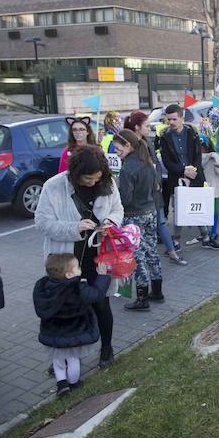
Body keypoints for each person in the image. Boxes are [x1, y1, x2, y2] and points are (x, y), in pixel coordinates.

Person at [35, 145, 124, 368]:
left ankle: (106, 348)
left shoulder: (108, 182)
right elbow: (43, 223)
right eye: (87, 179)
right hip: (66, 261)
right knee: (65, 309)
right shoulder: (53, 186)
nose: (93, 183)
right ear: (75, 174)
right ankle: (62, 355)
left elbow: (118, 209)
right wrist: (74, 227)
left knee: (101, 304)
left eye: (97, 178)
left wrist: (111, 223)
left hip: (98, 257)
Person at [33, 253, 110, 395]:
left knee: (58, 360)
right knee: (73, 360)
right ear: (69, 274)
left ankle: (62, 384)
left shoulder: (43, 287)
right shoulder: (78, 288)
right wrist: (102, 276)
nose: (80, 270)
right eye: (77, 268)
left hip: (53, 332)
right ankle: (74, 383)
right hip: (74, 332)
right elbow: (96, 294)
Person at [123, 112, 187, 266]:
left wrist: (156, 181)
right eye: (146, 125)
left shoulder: (147, 142)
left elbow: (156, 165)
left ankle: (171, 253)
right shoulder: (128, 145)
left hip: (153, 191)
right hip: (138, 195)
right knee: (142, 227)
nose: (149, 128)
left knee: (161, 222)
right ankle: (140, 259)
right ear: (137, 127)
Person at [113, 128, 165, 309]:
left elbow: (125, 198)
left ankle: (142, 298)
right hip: (150, 211)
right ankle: (157, 291)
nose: (116, 153)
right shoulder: (147, 161)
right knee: (151, 251)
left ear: (128, 145)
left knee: (138, 256)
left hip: (134, 216)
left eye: (118, 149)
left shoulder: (128, 167)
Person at [158, 104, 205, 241]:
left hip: (195, 176)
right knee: (178, 208)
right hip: (177, 178)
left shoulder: (192, 132)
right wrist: (184, 172)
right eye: (168, 119)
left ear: (181, 118)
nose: (171, 122)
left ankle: (206, 236)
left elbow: (198, 155)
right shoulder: (164, 137)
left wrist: (193, 171)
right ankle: (176, 239)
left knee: (198, 207)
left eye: (174, 119)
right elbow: (167, 162)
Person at [197, 135, 219, 249]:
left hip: (203, 188)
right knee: (214, 212)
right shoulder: (214, 156)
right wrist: (216, 158)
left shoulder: (197, 158)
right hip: (214, 189)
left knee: (203, 212)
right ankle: (212, 233)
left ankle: (205, 233)